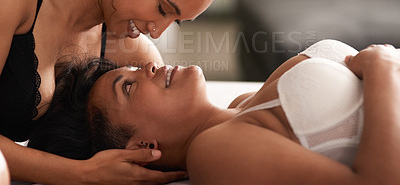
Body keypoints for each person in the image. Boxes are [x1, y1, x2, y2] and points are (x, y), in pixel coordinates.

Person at [0, 0, 254, 183]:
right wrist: (82, 173)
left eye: (175, 21)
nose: (157, 32)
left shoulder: (136, 57)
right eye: (163, 9)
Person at [28, 39, 400, 184]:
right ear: (141, 146)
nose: (149, 66)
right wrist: (383, 68)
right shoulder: (213, 153)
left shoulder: (242, 108)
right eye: (128, 86)